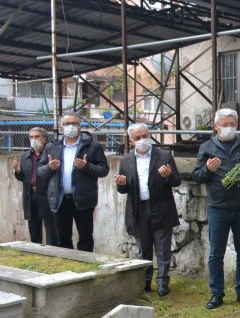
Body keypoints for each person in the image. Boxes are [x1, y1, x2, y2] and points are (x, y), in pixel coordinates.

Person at [191, 108, 240, 309]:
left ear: (237, 125)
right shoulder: (207, 147)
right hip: (217, 208)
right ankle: (216, 293)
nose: (229, 128)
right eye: (225, 124)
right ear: (216, 126)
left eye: (232, 124)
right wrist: (207, 170)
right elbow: (196, 176)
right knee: (216, 254)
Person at [115, 123, 181, 296]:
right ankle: (144, 281)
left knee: (162, 248)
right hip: (138, 209)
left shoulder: (164, 155)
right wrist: (121, 184)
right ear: (131, 140)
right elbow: (123, 189)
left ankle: (162, 282)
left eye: (145, 136)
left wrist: (168, 176)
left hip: (161, 207)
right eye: (138, 138)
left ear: (149, 135)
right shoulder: (126, 160)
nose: (142, 140)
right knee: (143, 249)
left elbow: (176, 181)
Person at [37, 112, 109, 252]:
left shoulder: (93, 146)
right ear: (61, 126)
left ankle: (86, 267)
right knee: (62, 239)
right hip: (60, 198)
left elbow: (103, 170)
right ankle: (68, 268)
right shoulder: (52, 147)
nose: (70, 127)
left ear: (80, 126)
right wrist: (49, 168)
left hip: (83, 199)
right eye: (67, 124)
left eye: (74, 124)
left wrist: (86, 166)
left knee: (85, 238)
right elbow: (40, 171)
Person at [12, 127, 57, 246]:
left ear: (45, 139)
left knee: (51, 229)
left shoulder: (51, 155)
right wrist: (17, 171)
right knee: (34, 228)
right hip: (30, 194)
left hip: (46, 194)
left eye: (37, 137)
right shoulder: (26, 155)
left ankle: (52, 252)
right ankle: (37, 251)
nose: (33, 139)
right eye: (31, 137)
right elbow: (24, 178)